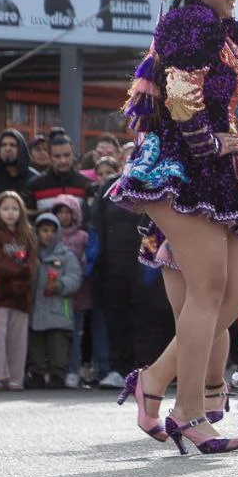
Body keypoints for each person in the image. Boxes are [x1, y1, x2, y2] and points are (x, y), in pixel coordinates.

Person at [109, 0, 238, 454]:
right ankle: (187, 412)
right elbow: (181, 96)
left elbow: (224, 102)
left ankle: (155, 379)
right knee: (207, 292)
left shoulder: (223, 29)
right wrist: (211, 146)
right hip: (185, 168)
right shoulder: (188, 23)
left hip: (216, 172)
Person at [90, 157, 144, 390]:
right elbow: (96, 225)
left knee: (145, 319)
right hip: (113, 268)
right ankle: (117, 369)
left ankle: (144, 370)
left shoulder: (148, 185)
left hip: (144, 266)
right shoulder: (110, 188)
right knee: (116, 319)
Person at [0, 192, 38, 391]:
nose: (10, 213)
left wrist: (24, 277)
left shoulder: (27, 234)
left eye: (14, 209)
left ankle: (15, 377)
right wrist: (20, 273)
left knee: (18, 337)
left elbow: (32, 263)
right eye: (6, 208)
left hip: (21, 294)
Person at [27, 213, 81, 388]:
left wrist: (60, 284)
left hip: (58, 309)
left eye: (52, 230)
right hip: (35, 310)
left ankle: (58, 374)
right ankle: (37, 373)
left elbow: (75, 277)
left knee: (58, 346)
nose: (48, 234)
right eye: (44, 230)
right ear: (36, 232)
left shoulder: (66, 255)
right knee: (36, 346)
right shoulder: (30, 254)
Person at [52, 194, 90, 389]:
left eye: (68, 212)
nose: (63, 216)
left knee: (76, 335)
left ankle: (74, 371)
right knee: (56, 334)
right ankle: (56, 370)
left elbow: (86, 261)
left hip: (78, 295)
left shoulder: (82, 237)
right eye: (59, 212)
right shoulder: (50, 235)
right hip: (53, 296)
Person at [24, 133, 94, 213]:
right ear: (50, 157)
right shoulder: (34, 186)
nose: (63, 160)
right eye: (57, 156)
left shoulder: (86, 185)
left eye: (66, 155)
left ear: (73, 155)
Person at [0, 129, 38, 198]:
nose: (7, 149)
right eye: (3, 145)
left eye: (12, 145)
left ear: (21, 149)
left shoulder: (34, 179)